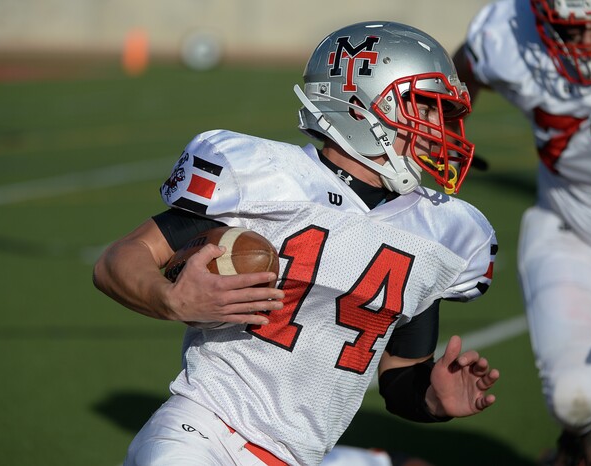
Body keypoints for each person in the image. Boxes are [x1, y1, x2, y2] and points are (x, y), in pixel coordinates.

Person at [94, 20, 500, 466]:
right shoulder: (266, 178)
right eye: (423, 107)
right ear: (361, 108)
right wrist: (170, 299)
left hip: (299, 457)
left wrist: (431, 398)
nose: (437, 125)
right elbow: (119, 259)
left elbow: (400, 375)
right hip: (203, 435)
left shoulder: (440, 230)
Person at [452, 1, 591, 465]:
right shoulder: (506, 34)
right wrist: (445, 125)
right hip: (574, 229)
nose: (589, 45)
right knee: (574, 400)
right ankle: (583, 442)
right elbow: (464, 70)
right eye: (572, 31)